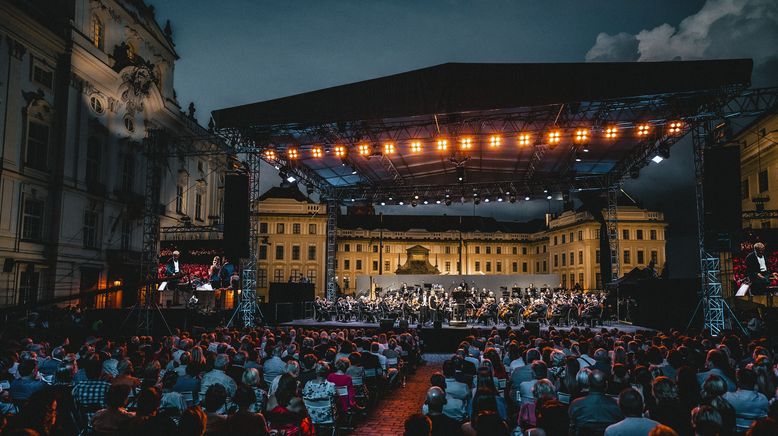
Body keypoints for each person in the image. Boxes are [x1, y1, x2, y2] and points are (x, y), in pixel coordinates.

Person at [568, 370, 623, 435]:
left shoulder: (576, 404)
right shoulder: (616, 405)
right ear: (606, 385)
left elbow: (572, 427)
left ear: (589, 384)